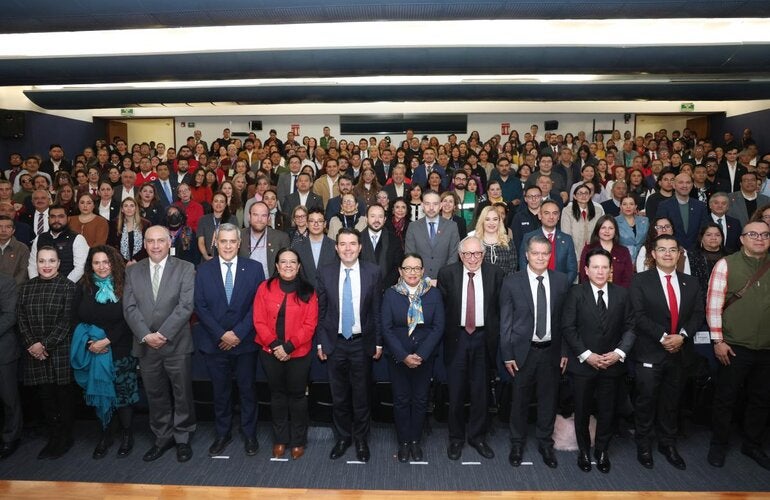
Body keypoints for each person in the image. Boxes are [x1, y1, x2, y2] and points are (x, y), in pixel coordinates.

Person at [630, 234, 705, 470]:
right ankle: (643, 445)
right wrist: (663, 337)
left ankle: (667, 443)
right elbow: (637, 315)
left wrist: (682, 336)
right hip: (650, 352)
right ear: (653, 254)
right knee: (646, 401)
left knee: (671, 402)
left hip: (679, 352)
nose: (667, 254)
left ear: (679, 254)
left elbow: (698, 314)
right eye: (662, 249)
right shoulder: (640, 281)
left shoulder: (691, 282)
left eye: (673, 250)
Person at [123, 225, 196, 463]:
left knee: (182, 393)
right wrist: (146, 335)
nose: (155, 246)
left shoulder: (185, 268)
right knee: (155, 394)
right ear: (144, 244)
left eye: (160, 241)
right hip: (146, 345)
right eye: (151, 241)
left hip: (176, 343)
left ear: (169, 243)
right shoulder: (133, 271)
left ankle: (183, 437)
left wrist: (162, 334)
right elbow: (129, 307)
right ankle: (163, 436)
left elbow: (186, 306)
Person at [562, 247, 635, 473]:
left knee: (607, 411)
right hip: (583, 365)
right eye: (595, 267)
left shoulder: (622, 294)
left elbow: (631, 328)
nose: (600, 272)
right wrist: (587, 355)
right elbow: (568, 327)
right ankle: (584, 450)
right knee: (582, 411)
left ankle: (602, 450)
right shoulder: (575, 293)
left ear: (611, 270)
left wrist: (618, 353)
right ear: (586, 270)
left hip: (612, 365)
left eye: (605, 267)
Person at [500, 235, 570, 468]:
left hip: (551, 351)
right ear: (527, 255)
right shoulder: (512, 282)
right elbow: (505, 323)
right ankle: (517, 443)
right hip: (523, 352)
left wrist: (565, 351)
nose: (540, 257)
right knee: (519, 401)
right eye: (535, 253)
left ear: (550, 256)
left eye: (544, 253)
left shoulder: (561, 281)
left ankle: (545, 443)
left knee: (548, 401)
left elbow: (566, 321)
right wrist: (507, 355)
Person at [194, 224, 263, 458]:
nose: (228, 246)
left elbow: (258, 305)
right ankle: (223, 434)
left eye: (232, 241)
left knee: (247, 391)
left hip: (245, 343)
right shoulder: (203, 270)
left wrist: (238, 334)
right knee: (220, 392)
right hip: (215, 343)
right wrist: (221, 334)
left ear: (239, 243)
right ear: (215, 242)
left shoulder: (254, 268)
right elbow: (200, 306)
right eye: (223, 241)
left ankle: (249, 433)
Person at [706, 220, 770, 470]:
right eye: (753, 234)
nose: (760, 239)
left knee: (761, 399)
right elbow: (713, 306)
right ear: (742, 239)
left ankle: (752, 443)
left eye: (765, 235)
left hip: (766, 347)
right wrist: (718, 341)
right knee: (726, 397)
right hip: (733, 346)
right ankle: (718, 444)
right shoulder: (726, 264)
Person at [315, 228, 383, 463]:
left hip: (361, 343)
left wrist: (378, 342)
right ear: (336, 248)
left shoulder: (373, 271)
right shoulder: (325, 272)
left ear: (360, 247)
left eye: (352, 244)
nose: (347, 248)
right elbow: (321, 311)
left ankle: (361, 439)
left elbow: (376, 310)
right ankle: (343, 438)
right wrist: (320, 342)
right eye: (342, 244)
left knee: (362, 396)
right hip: (334, 343)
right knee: (339, 396)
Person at [437, 236, 505, 461]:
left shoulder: (496, 274)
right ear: (460, 255)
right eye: (467, 254)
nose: (472, 258)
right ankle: (456, 438)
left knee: (481, 392)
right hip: (456, 339)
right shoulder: (447, 274)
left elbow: (500, 309)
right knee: (455, 393)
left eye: (477, 254)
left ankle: (478, 437)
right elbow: (442, 310)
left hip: (484, 339)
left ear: (484, 255)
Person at [72, 246, 139, 459]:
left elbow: (130, 318)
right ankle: (105, 434)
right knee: (100, 393)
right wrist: (90, 343)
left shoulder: (125, 285)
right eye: (96, 262)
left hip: (120, 348)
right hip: (93, 349)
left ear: (114, 263)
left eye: (106, 262)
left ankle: (127, 434)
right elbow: (75, 318)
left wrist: (107, 340)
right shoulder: (83, 286)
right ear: (90, 265)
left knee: (122, 395)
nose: (101, 267)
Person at [253, 248, 317, 460]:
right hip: (269, 351)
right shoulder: (264, 288)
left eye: (292, 262)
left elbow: (310, 324)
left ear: (299, 267)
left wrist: (288, 347)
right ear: (277, 266)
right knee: (277, 396)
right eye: (283, 262)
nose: (288, 265)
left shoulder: (309, 291)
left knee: (298, 397)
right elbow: (258, 320)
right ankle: (280, 439)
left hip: (298, 353)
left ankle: (298, 441)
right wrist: (275, 346)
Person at [381, 253, 444, 462]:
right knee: (401, 400)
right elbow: (386, 328)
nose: (412, 272)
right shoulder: (390, 294)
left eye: (417, 268)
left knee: (420, 400)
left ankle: (415, 440)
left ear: (423, 271)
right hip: (398, 357)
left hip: (425, 357)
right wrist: (403, 355)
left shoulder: (433, 294)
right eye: (407, 268)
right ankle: (404, 442)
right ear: (400, 271)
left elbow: (438, 327)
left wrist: (422, 354)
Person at [16, 246, 77, 459]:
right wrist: (32, 344)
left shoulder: (68, 287)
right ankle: (54, 436)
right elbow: (20, 318)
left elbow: (66, 321)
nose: (47, 265)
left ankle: (65, 437)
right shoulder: (26, 287)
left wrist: (44, 345)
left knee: (63, 396)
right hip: (35, 352)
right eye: (42, 261)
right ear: (36, 263)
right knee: (46, 396)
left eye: (51, 261)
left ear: (59, 263)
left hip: (59, 350)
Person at [404, 190, 460, 281]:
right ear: (422, 206)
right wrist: (425, 278)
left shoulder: (452, 227)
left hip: (445, 280)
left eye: (435, 204)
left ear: (440, 205)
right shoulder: (413, 227)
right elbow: (410, 255)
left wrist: (442, 278)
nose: (431, 208)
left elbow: (453, 256)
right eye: (427, 204)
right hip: (418, 280)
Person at [519, 200, 578, 284]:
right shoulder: (528, 237)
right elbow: (523, 265)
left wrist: (562, 287)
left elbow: (572, 269)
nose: (551, 217)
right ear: (540, 215)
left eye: (555, 213)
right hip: (534, 286)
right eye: (547, 213)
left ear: (558, 217)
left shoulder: (567, 239)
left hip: (560, 287)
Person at [29, 205, 89, 283]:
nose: (56, 220)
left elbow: (80, 268)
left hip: (70, 285)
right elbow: (32, 265)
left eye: (61, 216)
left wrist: (64, 285)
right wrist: (35, 284)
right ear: (48, 219)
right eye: (52, 217)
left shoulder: (77, 239)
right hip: (41, 285)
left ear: (68, 219)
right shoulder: (40, 238)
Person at [656, 173, 709, 251]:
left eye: (688, 182)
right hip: (672, 250)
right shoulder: (664, 206)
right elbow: (661, 230)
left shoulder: (700, 206)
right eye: (681, 182)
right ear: (674, 185)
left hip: (697, 251)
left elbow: (704, 230)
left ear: (692, 185)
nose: (685, 185)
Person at [579, 215, 633, 288]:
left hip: (619, 292)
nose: (607, 231)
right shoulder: (588, 249)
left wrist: (619, 292)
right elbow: (584, 276)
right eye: (603, 228)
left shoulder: (624, 251)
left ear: (615, 231)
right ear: (598, 230)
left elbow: (628, 277)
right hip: (592, 292)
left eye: (610, 228)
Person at [239, 201, 290, 278]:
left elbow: (286, 266)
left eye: (263, 215)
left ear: (268, 218)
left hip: (270, 283)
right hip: (245, 282)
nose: (259, 219)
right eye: (255, 215)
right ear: (249, 216)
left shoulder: (281, 238)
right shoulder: (239, 235)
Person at [359, 204, 403, 289]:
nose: (376, 220)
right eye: (373, 216)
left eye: (380, 216)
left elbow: (398, 266)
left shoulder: (394, 240)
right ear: (366, 218)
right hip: (362, 288)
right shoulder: (357, 239)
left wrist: (383, 286)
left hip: (388, 289)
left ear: (384, 219)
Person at [292, 207, 338, 286]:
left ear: (325, 224)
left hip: (329, 291)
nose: (316, 224)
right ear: (307, 224)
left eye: (320, 221)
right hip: (305, 291)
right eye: (312, 221)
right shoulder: (297, 247)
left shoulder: (335, 246)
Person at [0, 273, 20, 459]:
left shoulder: (5, 282)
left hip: (3, 350)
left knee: (8, 398)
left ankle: (11, 437)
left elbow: (10, 316)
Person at [561, 183, 605, 263]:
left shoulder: (598, 211)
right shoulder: (567, 211)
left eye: (586, 193)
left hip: (594, 251)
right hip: (574, 251)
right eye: (580, 193)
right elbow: (566, 234)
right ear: (574, 196)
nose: (583, 196)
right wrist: (575, 256)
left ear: (590, 195)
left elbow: (600, 232)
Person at [470, 205, 517, 275]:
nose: (491, 223)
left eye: (495, 219)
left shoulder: (508, 241)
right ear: (482, 221)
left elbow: (513, 269)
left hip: (505, 281)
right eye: (487, 219)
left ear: (499, 221)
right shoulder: (474, 242)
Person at [197, 192, 238, 261]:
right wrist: (206, 256)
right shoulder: (203, 219)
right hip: (207, 258)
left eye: (222, 202)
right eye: (216, 201)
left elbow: (235, 241)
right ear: (212, 203)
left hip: (227, 258)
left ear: (225, 204)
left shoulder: (232, 219)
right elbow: (201, 241)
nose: (218, 204)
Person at [616, 195, 649, 264]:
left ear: (635, 206)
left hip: (643, 259)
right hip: (621, 259)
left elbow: (648, 240)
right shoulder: (614, 221)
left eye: (631, 204)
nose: (628, 207)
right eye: (624, 204)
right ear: (620, 206)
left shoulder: (645, 221)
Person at [0, 215, 30, 286]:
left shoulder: (22, 248)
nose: (3, 230)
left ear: (13, 230)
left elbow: (23, 273)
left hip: (14, 289)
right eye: (0, 227)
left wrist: (9, 287)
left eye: (8, 227)